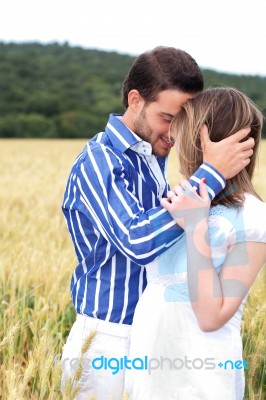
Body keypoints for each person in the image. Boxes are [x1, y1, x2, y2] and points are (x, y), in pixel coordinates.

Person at [60, 46, 255, 400]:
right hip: (108, 340)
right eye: (168, 117)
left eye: (185, 121)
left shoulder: (153, 159)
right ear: (135, 100)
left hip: (153, 343)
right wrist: (212, 174)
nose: (175, 132)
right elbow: (136, 240)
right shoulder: (99, 161)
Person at [124, 87, 266, 400]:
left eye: (179, 133)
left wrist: (197, 224)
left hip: (201, 379)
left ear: (198, 141)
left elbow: (210, 316)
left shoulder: (251, 217)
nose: (171, 142)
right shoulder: (174, 201)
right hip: (149, 370)